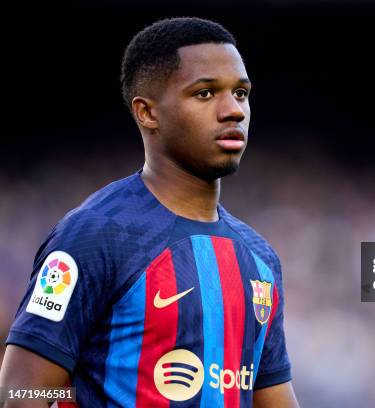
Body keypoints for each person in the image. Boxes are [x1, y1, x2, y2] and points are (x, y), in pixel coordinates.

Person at [0, 17, 299, 408]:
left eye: (240, 93)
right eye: (206, 94)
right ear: (147, 113)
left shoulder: (260, 259)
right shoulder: (95, 236)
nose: (233, 111)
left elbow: (271, 398)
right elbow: (20, 392)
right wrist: (83, 392)